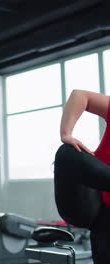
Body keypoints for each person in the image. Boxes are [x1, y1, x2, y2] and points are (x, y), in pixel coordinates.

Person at [55, 89, 110, 264]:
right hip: (92, 203)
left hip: (104, 220)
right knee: (66, 153)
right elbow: (79, 95)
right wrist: (66, 134)